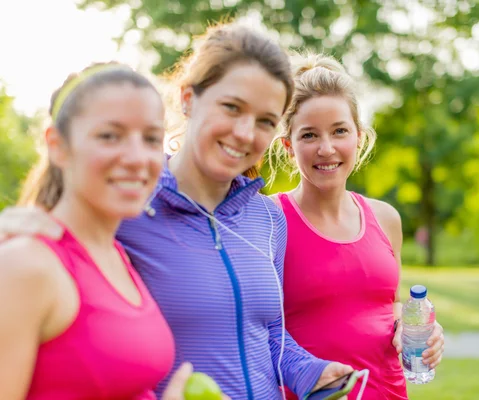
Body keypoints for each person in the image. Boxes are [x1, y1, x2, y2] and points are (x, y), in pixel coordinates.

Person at [0, 23, 351, 399]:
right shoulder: (126, 205)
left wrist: (311, 372)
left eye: (266, 121)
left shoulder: (267, 219)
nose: (246, 133)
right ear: (187, 99)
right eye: (231, 107)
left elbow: (269, 334)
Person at [0, 63, 196, 399]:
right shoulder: (26, 265)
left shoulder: (115, 255)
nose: (137, 158)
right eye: (110, 135)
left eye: (151, 138)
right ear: (58, 146)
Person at [267, 53, 445, 399]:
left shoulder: (385, 218)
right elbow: (257, 327)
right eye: (309, 135)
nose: (326, 148)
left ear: (359, 137)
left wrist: (423, 329)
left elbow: (387, 304)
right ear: (288, 147)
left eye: (339, 131)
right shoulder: (269, 219)